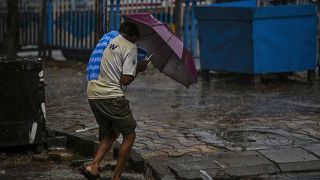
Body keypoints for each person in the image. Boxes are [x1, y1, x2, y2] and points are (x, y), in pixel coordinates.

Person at [80, 22, 149, 180]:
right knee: (129, 134)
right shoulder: (130, 47)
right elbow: (125, 80)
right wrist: (139, 68)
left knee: (112, 132)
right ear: (134, 37)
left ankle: (93, 166)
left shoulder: (108, 38)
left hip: (93, 93)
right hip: (110, 96)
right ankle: (116, 177)